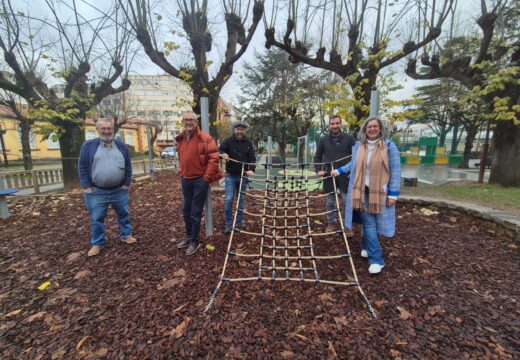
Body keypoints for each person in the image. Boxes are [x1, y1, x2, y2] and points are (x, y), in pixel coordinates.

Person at [332, 117, 401, 274]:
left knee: (374, 222)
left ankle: (366, 246)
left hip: (380, 192)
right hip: (361, 191)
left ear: (380, 129)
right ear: (365, 129)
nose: (372, 129)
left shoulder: (389, 147)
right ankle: (376, 259)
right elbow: (353, 164)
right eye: (369, 126)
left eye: (375, 126)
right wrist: (339, 171)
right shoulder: (359, 147)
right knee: (369, 223)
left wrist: (393, 194)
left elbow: (396, 170)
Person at [78, 118, 136, 257]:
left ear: (113, 130)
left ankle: (126, 235)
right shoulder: (89, 146)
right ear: (97, 130)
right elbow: (82, 166)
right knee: (97, 217)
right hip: (97, 190)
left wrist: (126, 183)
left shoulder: (121, 146)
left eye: (109, 128)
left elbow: (128, 165)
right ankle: (97, 243)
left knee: (123, 213)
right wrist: (86, 186)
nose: (106, 131)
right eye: (103, 129)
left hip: (119, 189)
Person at [175, 111, 221, 255]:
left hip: (200, 180)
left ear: (196, 122)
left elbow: (214, 159)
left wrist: (206, 178)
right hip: (186, 179)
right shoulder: (181, 138)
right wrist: (181, 171)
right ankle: (189, 237)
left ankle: (195, 240)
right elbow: (181, 157)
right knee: (186, 211)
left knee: (195, 212)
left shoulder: (205, 138)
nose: (188, 122)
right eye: (186, 119)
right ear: (182, 122)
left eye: (191, 120)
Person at [313, 115, 355, 233]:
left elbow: (356, 157)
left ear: (341, 124)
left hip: (345, 176)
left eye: (337, 123)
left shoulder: (349, 139)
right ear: (329, 125)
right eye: (332, 124)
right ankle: (331, 223)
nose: (335, 126)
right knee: (330, 202)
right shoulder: (323, 140)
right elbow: (317, 156)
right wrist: (318, 169)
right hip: (329, 174)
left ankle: (347, 226)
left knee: (347, 202)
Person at [219, 121, 256, 233]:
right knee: (229, 199)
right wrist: (222, 154)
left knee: (240, 200)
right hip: (230, 176)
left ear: (244, 130)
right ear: (234, 130)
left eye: (241, 129)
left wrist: (251, 169)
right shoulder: (228, 141)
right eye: (237, 129)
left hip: (242, 176)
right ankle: (229, 224)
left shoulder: (248, 143)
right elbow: (219, 151)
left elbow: (252, 159)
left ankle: (239, 222)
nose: (239, 131)